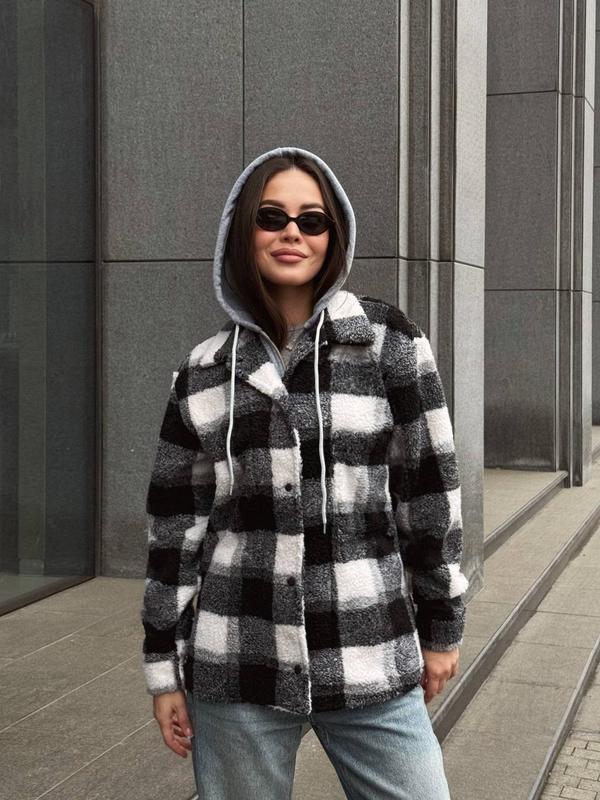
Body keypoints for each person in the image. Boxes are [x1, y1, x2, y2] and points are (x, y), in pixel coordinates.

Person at [140, 146, 469, 799]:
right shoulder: (203, 373)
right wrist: (163, 668)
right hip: (238, 661)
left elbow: (431, 496)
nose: (292, 232)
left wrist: (442, 627)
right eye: (272, 216)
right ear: (243, 231)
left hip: (370, 650)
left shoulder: (388, 343)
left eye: (311, 220)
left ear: (332, 235)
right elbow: (175, 534)